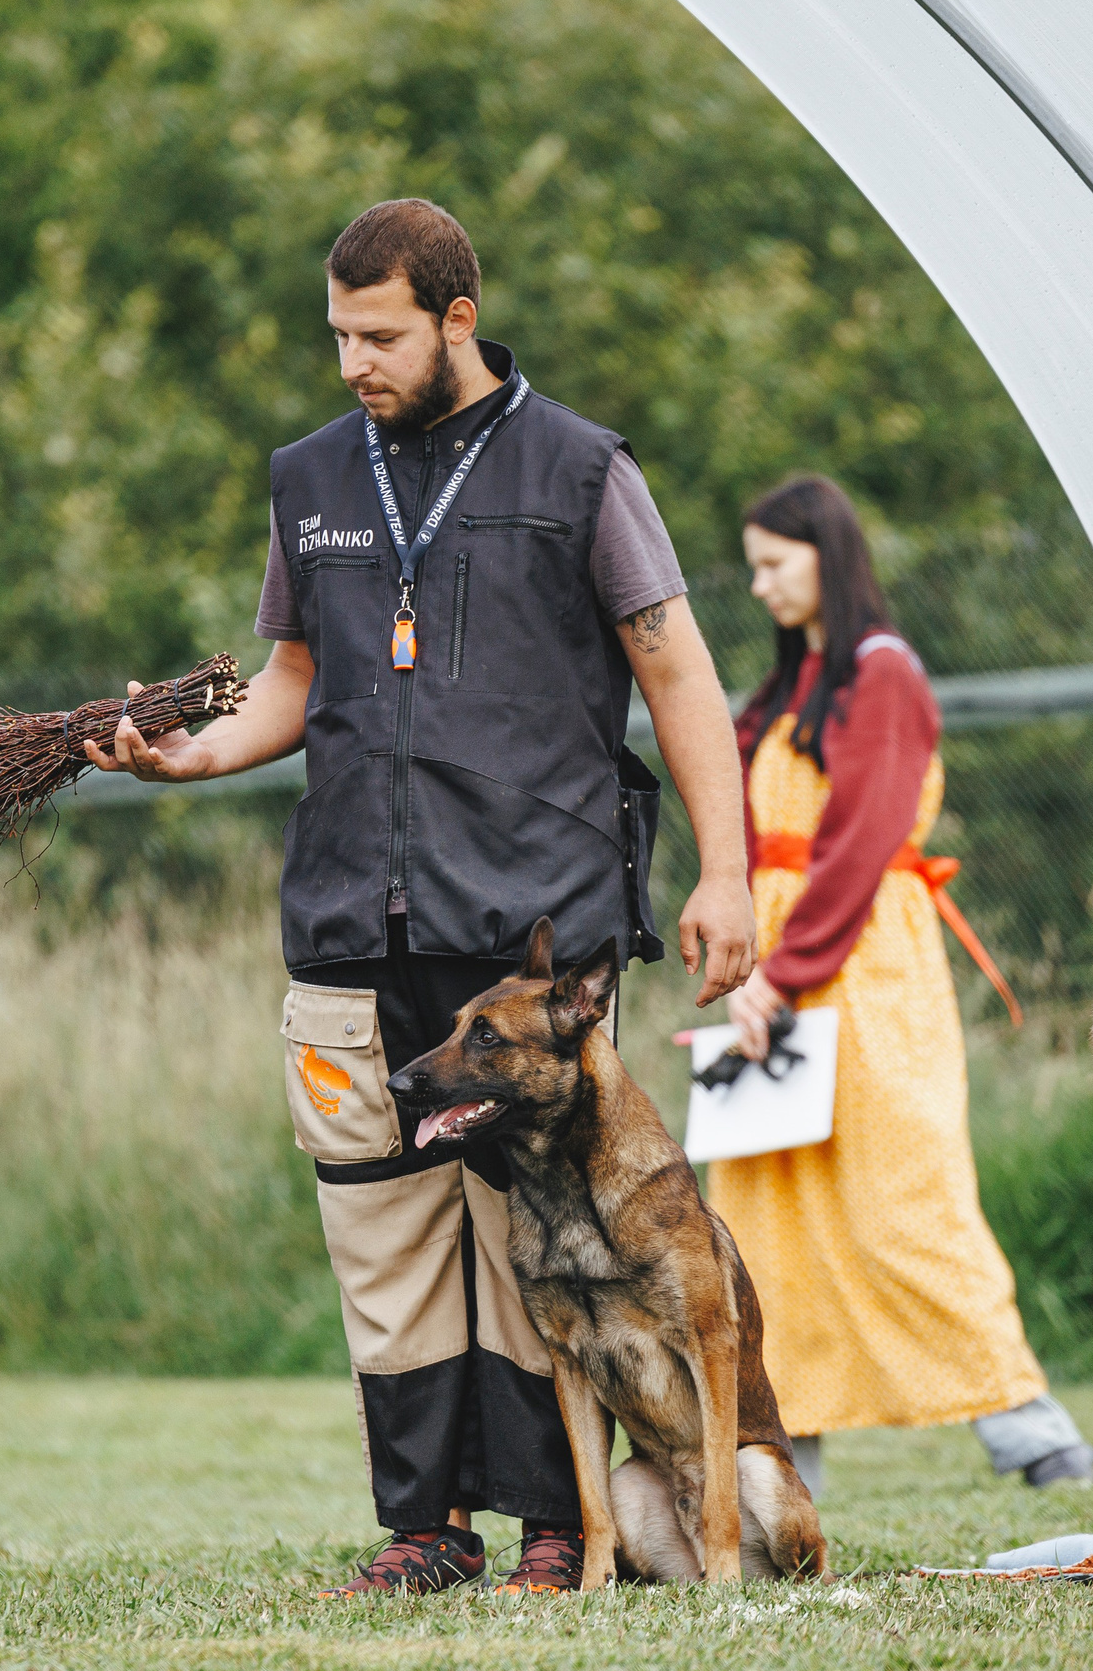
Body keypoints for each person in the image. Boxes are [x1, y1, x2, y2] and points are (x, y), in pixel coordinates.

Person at [86, 199, 756, 1595]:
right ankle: (422, 1530)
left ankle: (556, 1528)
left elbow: (677, 668)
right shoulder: (312, 478)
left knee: (543, 1238)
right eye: (336, 335)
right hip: (349, 914)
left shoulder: (580, 468)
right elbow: (291, 683)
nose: (352, 364)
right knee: (377, 1234)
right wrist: (187, 758)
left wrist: (730, 870)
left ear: (458, 318)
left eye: (379, 334)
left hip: (528, 941)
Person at [710, 475, 1093, 1497]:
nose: (758, 586)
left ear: (825, 557)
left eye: (772, 564)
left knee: (902, 1194)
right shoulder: (787, 687)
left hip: (862, 961)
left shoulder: (882, 676)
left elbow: (861, 835)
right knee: (767, 1217)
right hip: (780, 967)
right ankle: (783, 1455)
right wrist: (747, 959)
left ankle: (1027, 1424)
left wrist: (786, 975)